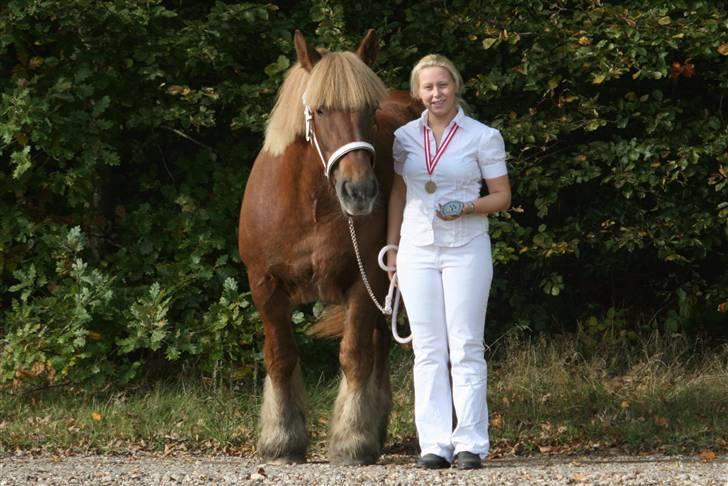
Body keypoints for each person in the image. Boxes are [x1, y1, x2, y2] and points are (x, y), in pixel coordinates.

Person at [386, 54, 511, 470]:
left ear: (455, 86)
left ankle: (470, 443)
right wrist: (392, 249)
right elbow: (400, 194)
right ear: (417, 92)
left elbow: (502, 196)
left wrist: (469, 206)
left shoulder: (483, 136)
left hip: (466, 248)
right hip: (417, 249)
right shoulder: (404, 136)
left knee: (465, 346)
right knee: (427, 350)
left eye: (442, 85)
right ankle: (434, 445)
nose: (435, 93)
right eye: (427, 87)